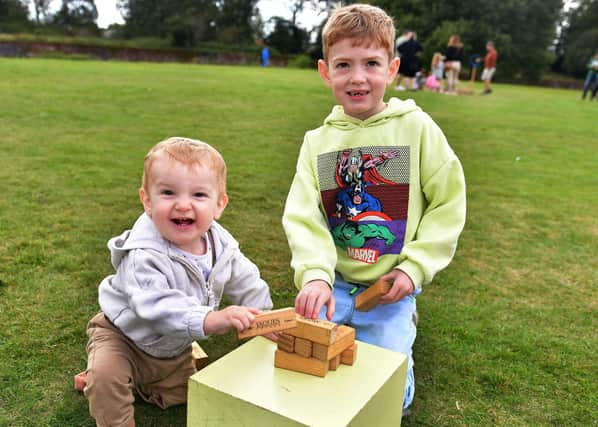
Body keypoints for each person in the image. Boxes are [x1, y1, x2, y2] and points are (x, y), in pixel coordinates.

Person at [282, 4, 466, 414]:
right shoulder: (316, 142)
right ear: (325, 71)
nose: (358, 77)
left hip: (388, 292)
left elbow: (448, 202)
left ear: (392, 68)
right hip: (335, 285)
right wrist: (315, 276)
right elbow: (303, 215)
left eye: (371, 63)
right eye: (344, 64)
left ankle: (402, 337)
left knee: (386, 403)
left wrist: (413, 267)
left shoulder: (417, 128)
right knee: (304, 373)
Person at [81, 137, 273, 427]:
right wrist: (209, 319)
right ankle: (102, 383)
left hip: (172, 346)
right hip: (123, 336)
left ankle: (141, 382)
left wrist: (264, 316)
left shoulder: (221, 247)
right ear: (147, 200)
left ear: (219, 204)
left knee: (186, 394)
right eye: (168, 193)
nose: (183, 205)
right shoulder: (143, 254)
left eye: (198, 195)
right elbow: (156, 306)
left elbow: (246, 280)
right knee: (107, 378)